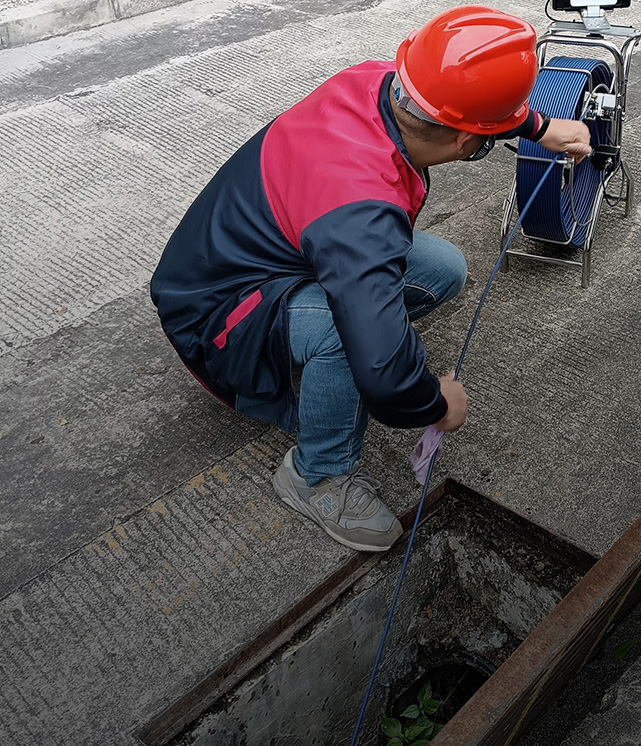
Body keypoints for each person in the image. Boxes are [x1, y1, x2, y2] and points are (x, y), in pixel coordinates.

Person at [150, 5, 593, 553]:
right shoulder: (361, 212)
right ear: (465, 144)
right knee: (351, 335)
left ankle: (328, 351)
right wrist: (434, 403)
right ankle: (315, 476)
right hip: (218, 313)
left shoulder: (377, 81)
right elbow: (385, 377)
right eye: (486, 141)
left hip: (274, 251)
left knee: (443, 268)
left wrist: (542, 127)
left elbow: (455, 102)